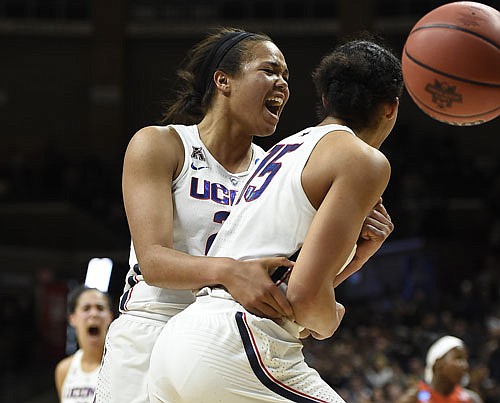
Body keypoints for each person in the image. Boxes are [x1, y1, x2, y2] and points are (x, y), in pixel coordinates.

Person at [148, 37, 403, 402]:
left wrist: (359, 257)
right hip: (238, 343)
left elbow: (287, 282)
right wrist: (331, 318)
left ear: (326, 100)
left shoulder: (280, 151)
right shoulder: (364, 159)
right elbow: (306, 299)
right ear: (391, 108)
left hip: (178, 343)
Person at [94, 27, 295, 403]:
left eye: (286, 76)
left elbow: (282, 271)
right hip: (153, 325)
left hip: (226, 338)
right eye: (270, 70)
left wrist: (356, 246)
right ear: (224, 81)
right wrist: (231, 272)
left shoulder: (277, 170)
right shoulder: (161, 144)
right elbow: (154, 262)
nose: (282, 84)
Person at [54, 286, 113, 403]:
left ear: (110, 317)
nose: (94, 314)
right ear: (72, 318)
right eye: (86, 308)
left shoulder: (119, 366)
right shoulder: (64, 369)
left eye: (100, 308)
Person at [398, 335, 483, 403]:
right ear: (438, 364)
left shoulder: (471, 399)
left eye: (465, 359)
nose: (465, 365)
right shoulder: (414, 398)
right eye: (458, 358)